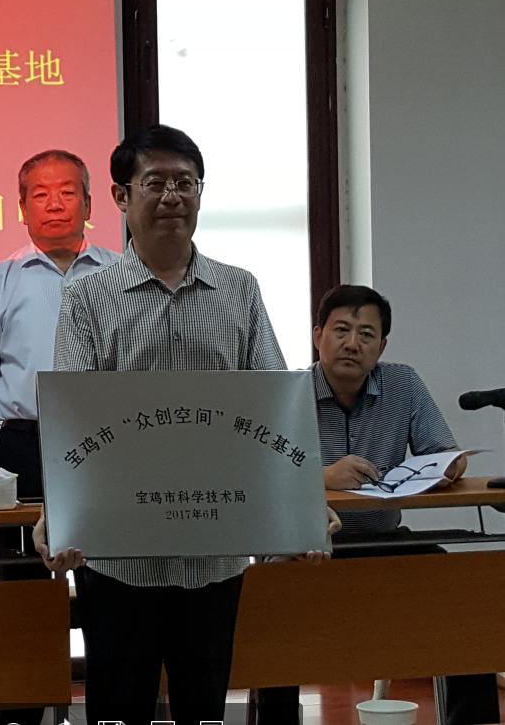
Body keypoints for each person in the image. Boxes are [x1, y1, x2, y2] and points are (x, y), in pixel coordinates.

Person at [33, 124, 334, 725]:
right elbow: (74, 419)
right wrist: (59, 509)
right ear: (121, 197)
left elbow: (274, 406)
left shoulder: (239, 290)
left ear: (200, 192)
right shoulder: (87, 297)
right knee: (119, 709)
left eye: (185, 183)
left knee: (204, 706)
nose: (172, 196)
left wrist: (303, 502)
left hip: (213, 552)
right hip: (119, 556)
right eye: (155, 183)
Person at [255, 284, 500, 725]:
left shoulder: (402, 384)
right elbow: (257, 477)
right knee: (272, 601)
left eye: (366, 334)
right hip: (306, 545)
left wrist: (449, 464)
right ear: (318, 336)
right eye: (341, 330)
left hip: (384, 541)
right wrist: (320, 477)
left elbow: (442, 452)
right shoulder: (287, 392)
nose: (352, 343)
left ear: (381, 346)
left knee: (460, 592)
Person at [0, 149, 118, 725]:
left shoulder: (121, 275)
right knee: (22, 601)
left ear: (90, 203)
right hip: (23, 447)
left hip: (106, 444)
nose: (54, 203)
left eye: (67, 192)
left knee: (109, 592)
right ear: (21, 207)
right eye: (40, 194)